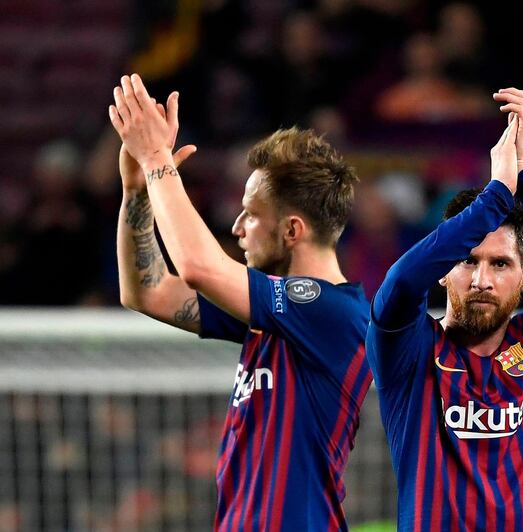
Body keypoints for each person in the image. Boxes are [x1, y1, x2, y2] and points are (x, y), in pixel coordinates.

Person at [109, 74, 372, 530]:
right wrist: (137, 193)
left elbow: (198, 267)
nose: (237, 227)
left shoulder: (330, 311)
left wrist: (157, 161)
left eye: (251, 214)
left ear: (292, 230)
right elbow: (146, 291)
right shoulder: (274, 314)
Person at [366, 88, 523, 530]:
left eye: (500, 264)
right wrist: (497, 195)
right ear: (442, 270)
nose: (481, 280)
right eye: (467, 261)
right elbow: (401, 283)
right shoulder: (407, 349)